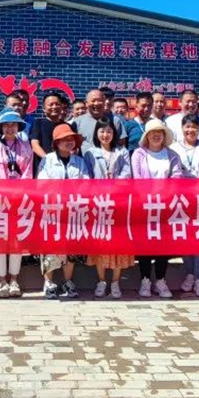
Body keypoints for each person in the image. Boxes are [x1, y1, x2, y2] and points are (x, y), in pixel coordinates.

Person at [131, 119, 185, 298]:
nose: (156, 135)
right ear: (146, 136)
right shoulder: (138, 154)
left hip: (166, 206)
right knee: (145, 244)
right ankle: (145, 280)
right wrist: (150, 195)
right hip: (145, 206)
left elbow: (177, 177)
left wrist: (165, 194)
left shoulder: (172, 155)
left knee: (163, 245)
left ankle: (161, 280)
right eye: (152, 132)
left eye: (160, 132)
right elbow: (137, 179)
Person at [37, 124, 91, 299]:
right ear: (56, 143)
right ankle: (49, 282)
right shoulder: (47, 160)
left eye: (71, 139)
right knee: (50, 247)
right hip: (52, 210)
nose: (69, 142)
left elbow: (86, 183)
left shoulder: (79, 161)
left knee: (71, 247)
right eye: (65, 139)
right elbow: (42, 183)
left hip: (73, 210)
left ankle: (68, 281)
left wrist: (73, 194)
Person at [83, 117, 132, 299]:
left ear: (114, 133)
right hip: (98, 205)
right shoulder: (90, 153)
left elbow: (127, 175)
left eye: (109, 131)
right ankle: (102, 280)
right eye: (102, 131)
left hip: (118, 204)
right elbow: (87, 177)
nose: (105, 135)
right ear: (97, 133)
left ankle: (116, 282)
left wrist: (113, 185)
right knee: (100, 243)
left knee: (118, 243)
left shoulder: (122, 152)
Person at [0, 110, 32, 298]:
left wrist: (20, 193)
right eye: (6, 125)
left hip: (19, 199)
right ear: (1, 128)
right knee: (0, 240)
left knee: (16, 240)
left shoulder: (26, 146)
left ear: (18, 127)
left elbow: (28, 171)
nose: (10, 128)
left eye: (14, 124)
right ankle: (1, 281)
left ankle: (14, 279)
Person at [172, 115, 199, 298]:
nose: (190, 130)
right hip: (181, 199)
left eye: (194, 127)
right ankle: (190, 273)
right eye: (187, 127)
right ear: (182, 128)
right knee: (185, 237)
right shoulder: (174, 147)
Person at [30, 91, 68, 173]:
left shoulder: (67, 126)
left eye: (57, 104)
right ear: (44, 108)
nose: (54, 107)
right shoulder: (38, 123)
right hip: (44, 167)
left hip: (64, 168)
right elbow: (35, 145)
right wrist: (49, 160)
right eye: (51, 104)